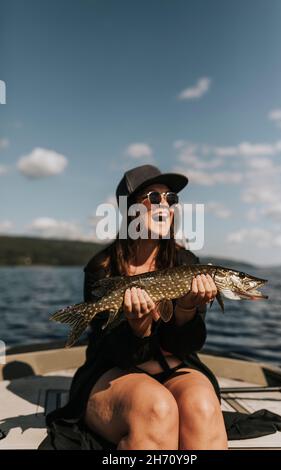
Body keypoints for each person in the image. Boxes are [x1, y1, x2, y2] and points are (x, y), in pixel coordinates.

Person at [40, 164, 228, 450]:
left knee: (202, 406)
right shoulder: (102, 267)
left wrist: (186, 311)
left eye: (171, 199)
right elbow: (113, 352)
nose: (164, 204)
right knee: (157, 408)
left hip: (175, 367)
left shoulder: (187, 262)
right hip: (113, 371)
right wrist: (138, 327)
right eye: (153, 197)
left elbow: (189, 345)